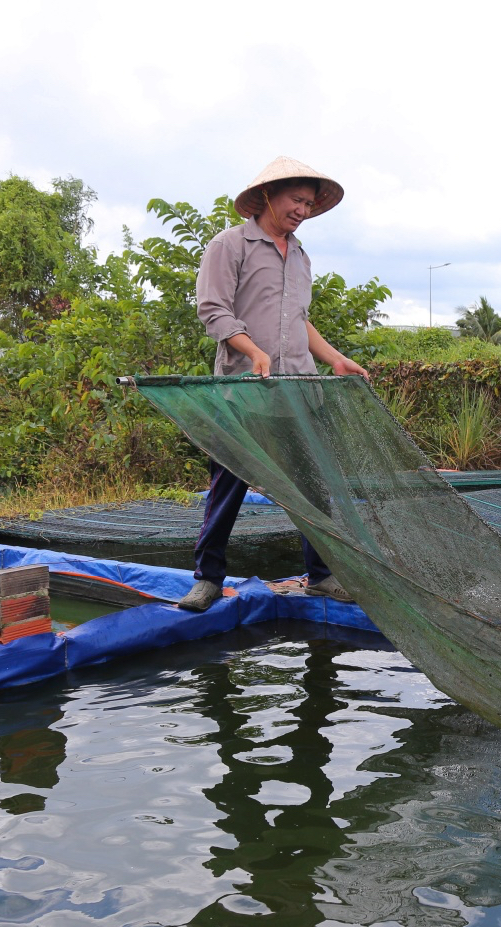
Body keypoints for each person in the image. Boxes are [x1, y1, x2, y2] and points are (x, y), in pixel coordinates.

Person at [178, 156, 368, 613]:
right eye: (295, 200)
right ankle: (207, 580)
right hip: (244, 392)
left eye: (309, 203)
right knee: (229, 485)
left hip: (298, 390)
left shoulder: (301, 257)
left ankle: (321, 576)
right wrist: (255, 352)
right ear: (267, 196)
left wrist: (337, 360)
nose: (302, 210)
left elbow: (300, 322)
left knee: (312, 486)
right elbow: (214, 310)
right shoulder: (230, 245)